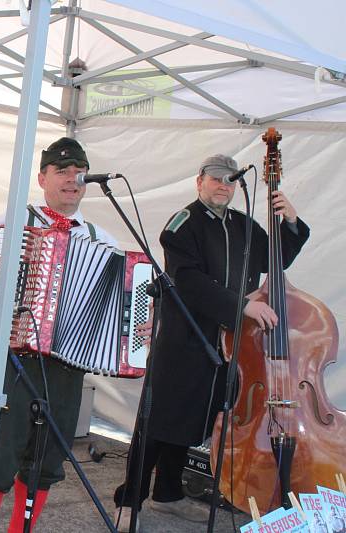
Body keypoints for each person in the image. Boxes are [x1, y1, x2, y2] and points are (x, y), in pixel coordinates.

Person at [112, 154, 309, 531]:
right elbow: (188, 281)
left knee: (194, 421)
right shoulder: (182, 226)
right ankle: (129, 500)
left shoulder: (243, 223)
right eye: (216, 179)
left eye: (230, 181)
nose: (224, 186)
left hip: (229, 343)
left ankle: (168, 494)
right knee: (158, 422)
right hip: (185, 339)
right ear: (199, 181)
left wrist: (291, 221)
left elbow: (276, 259)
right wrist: (243, 306)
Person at [0, 137, 118, 532]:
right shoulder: (18, 218)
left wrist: (138, 323)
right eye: (62, 171)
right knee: (0, 452)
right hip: (14, 356)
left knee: (48, 457)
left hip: (69, 361)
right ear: (42, 177)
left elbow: (125, 299)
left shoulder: (101, 239)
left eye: (79, 173)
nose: (72, 180)